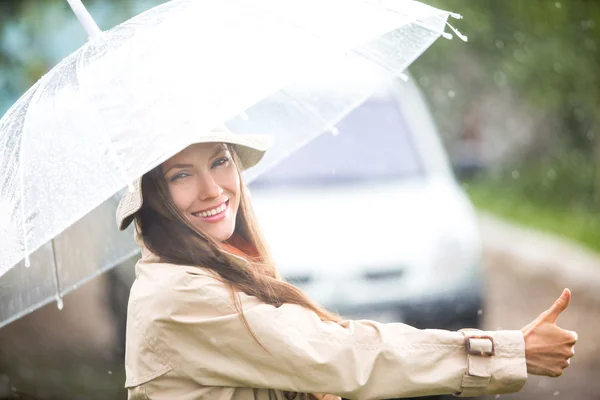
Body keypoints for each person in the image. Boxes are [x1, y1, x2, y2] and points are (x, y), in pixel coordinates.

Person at [117, 127, 577, 400]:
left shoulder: (213, 268)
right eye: (180, 174)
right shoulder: (180, 295)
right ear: (155, 199)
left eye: (220, 161)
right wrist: (506, 352)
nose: (213, 189)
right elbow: (345, 355)